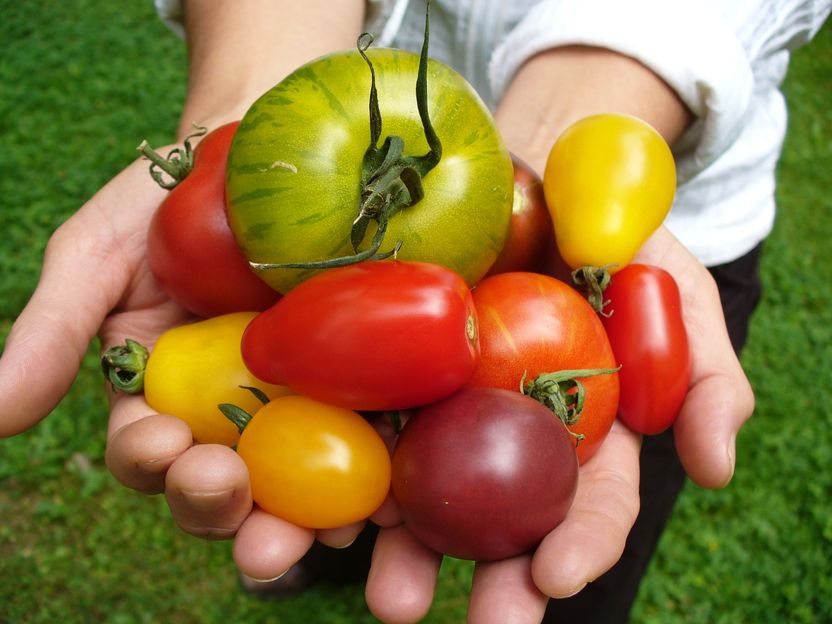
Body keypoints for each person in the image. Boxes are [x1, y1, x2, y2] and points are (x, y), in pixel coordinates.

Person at [0, 1, 828, 622]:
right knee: (359, 480)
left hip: (607, 220)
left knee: (569, 551)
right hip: (383, 182)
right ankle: (330, 555)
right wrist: (254, 108)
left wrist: (587, 125)